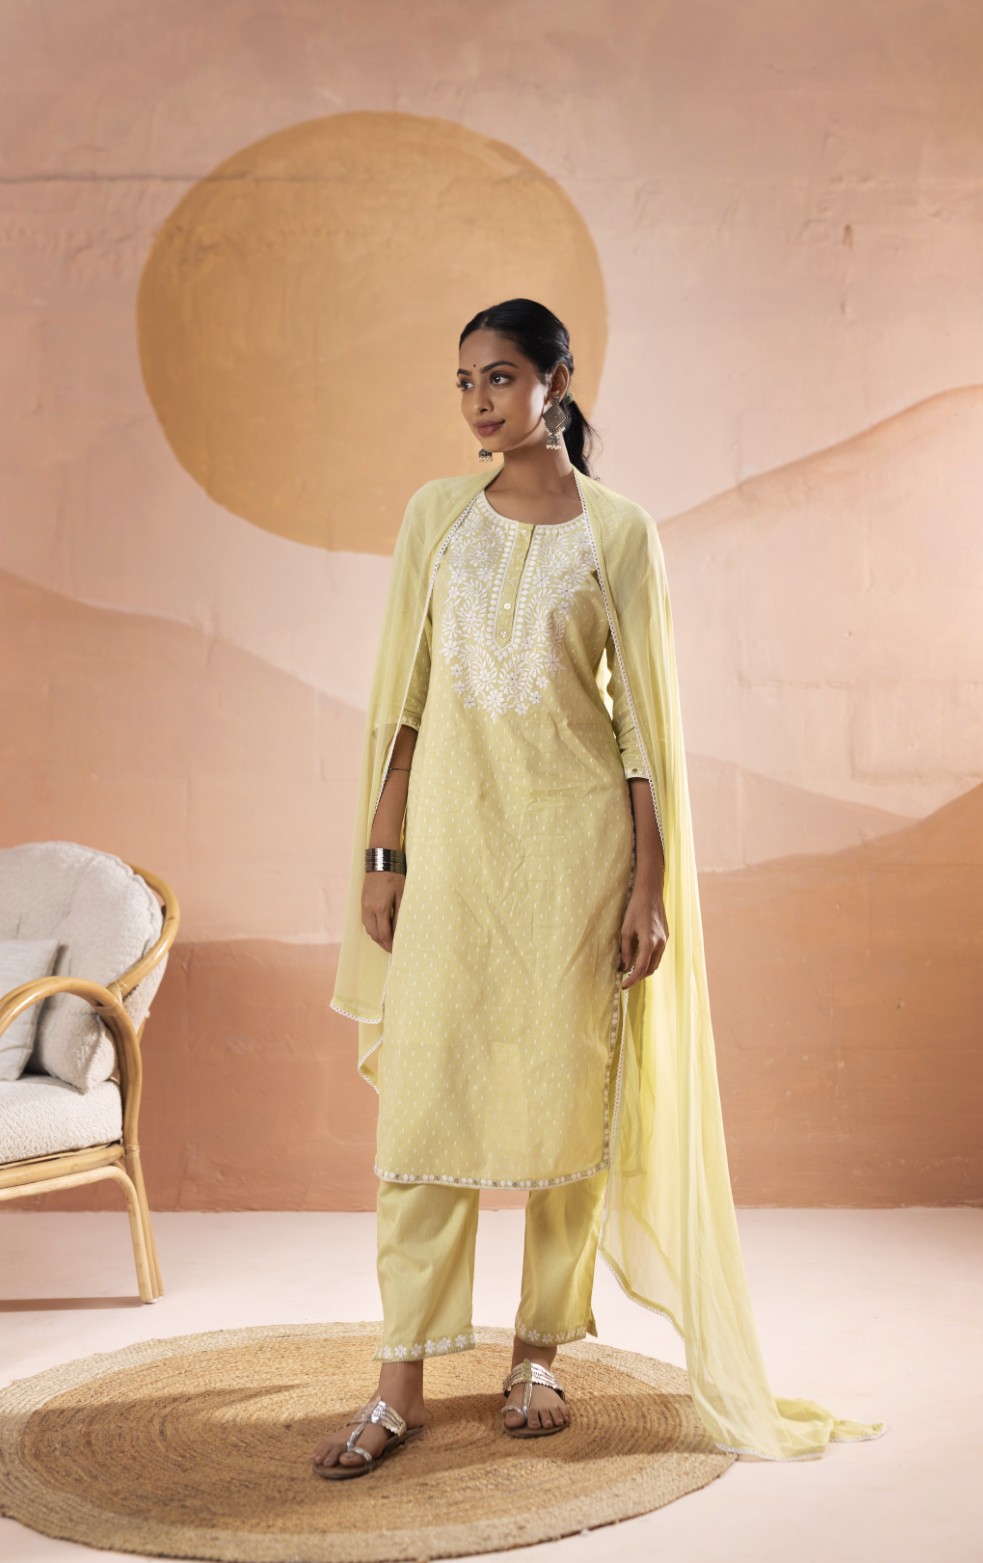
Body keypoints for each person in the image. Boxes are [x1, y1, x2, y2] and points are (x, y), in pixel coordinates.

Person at [314, 299, 886, 1479]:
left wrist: (649, 887)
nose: (479, 401)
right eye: (464, 381)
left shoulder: (620, 533)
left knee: (566, 1108)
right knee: (425, 1109)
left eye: (501, 377)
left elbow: (643, 733)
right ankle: (398, 1379)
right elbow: (404, 702)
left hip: (576, 856)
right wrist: (382, 852)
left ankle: (537, 1353)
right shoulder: (436, 517)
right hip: (452, 849)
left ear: (558, 381)